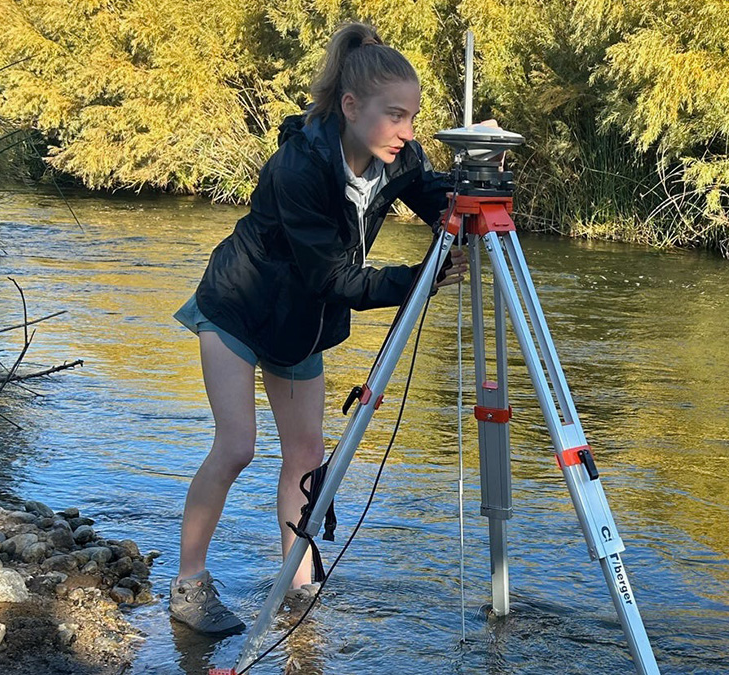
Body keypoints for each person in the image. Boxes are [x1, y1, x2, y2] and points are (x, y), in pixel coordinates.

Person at [168, 22, 469, 635]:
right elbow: (331, 276)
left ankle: (297, 587)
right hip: (239, 307)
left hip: (300, 326)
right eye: (396, 116)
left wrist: (474, 192)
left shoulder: (398, 155)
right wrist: (420, 278)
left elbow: (432, 194)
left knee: (306, 457)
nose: (409, 131)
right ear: (352, 107)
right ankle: (189, 584)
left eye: (412, 116)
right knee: (237, 447)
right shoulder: (298, 167)